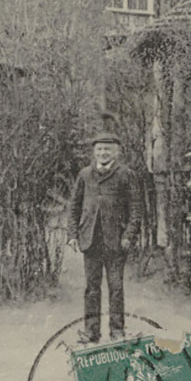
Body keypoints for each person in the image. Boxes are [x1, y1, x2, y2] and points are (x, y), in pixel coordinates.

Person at [68, 125, 141, 344]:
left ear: (117, 152)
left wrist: (128, 235)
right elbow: (74, 206)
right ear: (94, 152)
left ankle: (117, 331)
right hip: (90, 241)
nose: (103, 153)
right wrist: (72, 234)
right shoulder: (85, 175)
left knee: (116, 287)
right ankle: (91, 331)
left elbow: (136, 210)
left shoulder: (126, 175)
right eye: (99, 149)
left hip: (115, 242)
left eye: (108, 150)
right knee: (91, 288)